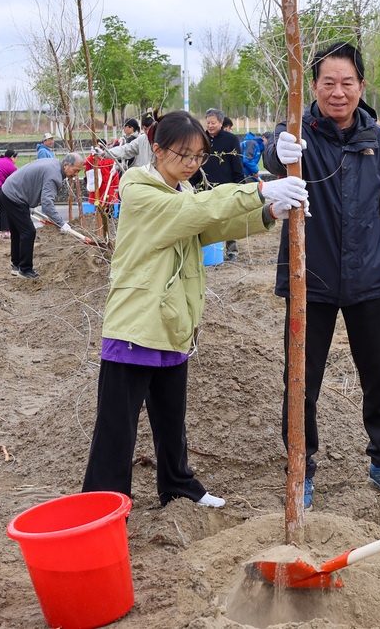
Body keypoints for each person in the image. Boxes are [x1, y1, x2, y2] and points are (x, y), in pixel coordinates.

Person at [81, 110, 308, 508]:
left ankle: (178, 485)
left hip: (173, 320)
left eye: (199, 156)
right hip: (137, 322)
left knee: (171, 418)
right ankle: (104, 503)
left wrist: (267, 212)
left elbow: (208, 228)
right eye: (183, 154)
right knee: (117, 425)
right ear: (156, 149)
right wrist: (258, 191)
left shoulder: (181, 192)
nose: (191, 164)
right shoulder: (138, 189)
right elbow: (193, 213)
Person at [261, 41, 380, 509]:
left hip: (369, 279)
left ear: (361, 86)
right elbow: (273, 162)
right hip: (310, 279)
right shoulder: (297, 135)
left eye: (347, 82)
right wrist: (278, 150)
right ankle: (301, 468)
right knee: (301, 379)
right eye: (328, 82)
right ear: (313, 86)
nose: (338, 92)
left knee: (378, 375)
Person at [0, 153, 84, 278]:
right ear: (66, 165)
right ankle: (25, 270)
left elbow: (35, 180)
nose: (76, 174)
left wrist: (29, 204)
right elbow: (47, 203)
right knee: (29, 232)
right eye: (75, 170)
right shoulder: (54, 176)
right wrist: (61, 223)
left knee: (18, 232)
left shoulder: (54, 164)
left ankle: (16, 266)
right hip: (14, 196)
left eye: (78, 171)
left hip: (9, 190)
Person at [191, 108, 245, 261]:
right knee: (206, 219)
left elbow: (237, 163)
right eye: (208, 122)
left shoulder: (231, 139)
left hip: (226, 186)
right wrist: (193, 182)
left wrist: (239, 184)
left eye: (213, 123)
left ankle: (232, 251)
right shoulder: (201, 139)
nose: (210, 126)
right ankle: (209, 251)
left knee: (229, 219)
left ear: (221, 123)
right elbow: (197, 162)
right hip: (205, 186)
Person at [84, 141, 120, 206]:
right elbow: (86, 165)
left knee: (108, 205)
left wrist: (116, 186)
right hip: (97, 187)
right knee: (98, 206)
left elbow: (115, 174)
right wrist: (92, 155)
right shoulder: (92, 158)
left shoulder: (109, 158)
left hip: (108, 187)